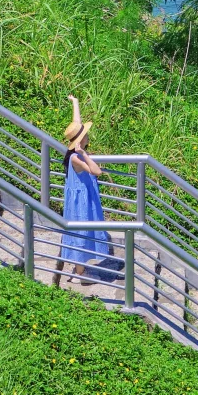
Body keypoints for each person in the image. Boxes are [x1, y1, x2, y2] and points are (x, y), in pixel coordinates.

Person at [59, 95, 122, 284]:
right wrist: (85, 154)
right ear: (80, 141)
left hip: (83, 196)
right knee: (81, 231)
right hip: (81, 201)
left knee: (85, 230)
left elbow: (76, 123)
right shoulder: (76, 158)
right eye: (85, 134)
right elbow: (97, 171)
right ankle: (81, 274)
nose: (88, 135)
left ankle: (81, 269)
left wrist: (75, 102)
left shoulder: (73, 154)